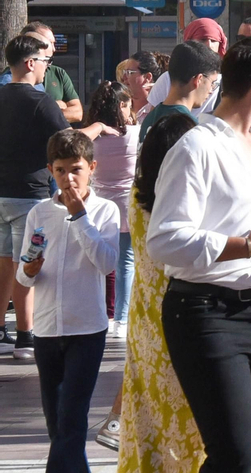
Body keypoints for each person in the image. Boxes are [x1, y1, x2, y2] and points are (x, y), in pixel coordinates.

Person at [147, 39, 251, 473]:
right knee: (235, 457)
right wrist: (241, 246)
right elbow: (163, 240)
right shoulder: (195, 147)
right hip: (207, 313)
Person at [17, 129, 120, 473]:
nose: (68, 178)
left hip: (86, 327)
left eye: (75, 169)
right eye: (60, 170)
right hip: (47, 328)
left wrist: (79, 217)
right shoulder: (40, 213)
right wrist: (29, 270)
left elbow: (106, 263)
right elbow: (22, 275)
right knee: (56, 421)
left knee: (72, 415)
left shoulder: (105, 211)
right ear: (50, 170)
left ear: (92, 167)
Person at [116, 110, 206, 472]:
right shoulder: (184, 206)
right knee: (185, 406)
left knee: (146, 407)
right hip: (182, 311)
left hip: (144, 316)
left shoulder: (136, 197)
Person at [0, 32, 70, 363]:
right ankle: (26, 335)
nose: (46, 67)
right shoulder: (40, 102)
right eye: (44, 61)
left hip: (1, 193)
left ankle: (1, 329)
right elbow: (66, 143)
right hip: (29, 196)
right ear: (30, 63)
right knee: (28, 263)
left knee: (3, 263)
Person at [80, 82, 139, 338]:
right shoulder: (134, 134)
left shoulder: (94, 140)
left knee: (98, 261)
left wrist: (99, 127)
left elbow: (75, 139)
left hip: (99, 206)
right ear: (122, 105)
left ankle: (100, 313)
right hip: (128, 204)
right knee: (126, 261)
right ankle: (122, 320)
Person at [139, 41, 222, 142]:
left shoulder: (149, 119)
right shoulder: (189, 128)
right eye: (212, 82)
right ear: (198, 79)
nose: (211, 90)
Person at [144, 18, 227, 114]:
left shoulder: (225, 82)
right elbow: (154, 117)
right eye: (203, 39)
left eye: (213, 40)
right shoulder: (168, 78)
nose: (209, 45)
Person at [10, 23, 83, 123]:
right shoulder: (10, 79)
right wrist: (54, 106)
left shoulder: (58, 73)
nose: (54, 49)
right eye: (49, 43)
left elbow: (78, 113)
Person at [118, 52, 161, 119]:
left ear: (147, 77)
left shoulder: (158, 111)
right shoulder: (119, 108)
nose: (124, 77)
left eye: (129, 73)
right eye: (124, 72)